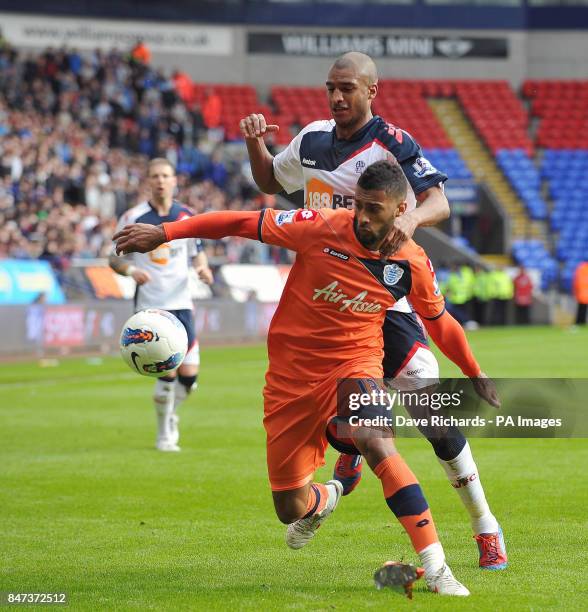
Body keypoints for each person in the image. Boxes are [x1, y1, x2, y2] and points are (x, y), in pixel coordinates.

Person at [114, 160, 502, 596]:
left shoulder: (411, 262)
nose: (362, 217)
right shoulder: (317, 226)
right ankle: (327, 497)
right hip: (290, 380)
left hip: (356, 365)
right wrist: (165, 232)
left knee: (377, 442)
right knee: (289, 506)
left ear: (400, 211)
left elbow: (440, 321)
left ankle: (436, 567)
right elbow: (239, 223)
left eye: (374, 209)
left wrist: (475, 372)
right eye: (359, 205)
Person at [238, 52, 506, 569]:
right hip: (324, 300)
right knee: (351, 421)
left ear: (372, 90)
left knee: (433, 420)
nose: (338, 98)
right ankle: (346, 460)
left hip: (385, 303)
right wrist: (256, 144)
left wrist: (410, 223)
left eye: (348, 89)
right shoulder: (313, 139)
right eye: (331, 88)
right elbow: (271, 182)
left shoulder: (395, 144)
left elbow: (439, 202)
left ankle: (484, 524)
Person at [109, 158, 213, 452]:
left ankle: (170, 415)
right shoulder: (134, 215)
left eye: (165, 175)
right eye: (155, 176)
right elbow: (114, 256)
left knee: (189, 380)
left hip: (182, 304)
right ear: (148, 181)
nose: (160, 181)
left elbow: (198, 253)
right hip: (151, 311)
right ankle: (164, 433)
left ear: (174, 180)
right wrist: (131, 271)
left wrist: (203, 269)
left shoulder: (186, 215)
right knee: (167, 375)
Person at [573, 261, 588, 325]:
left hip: (582, 294)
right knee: (582, 309)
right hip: (583, 294)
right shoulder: (582, 269)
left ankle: (580, 322)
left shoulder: (581, 269)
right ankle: (580, 322)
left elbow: (576, 283)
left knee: (581, 309)